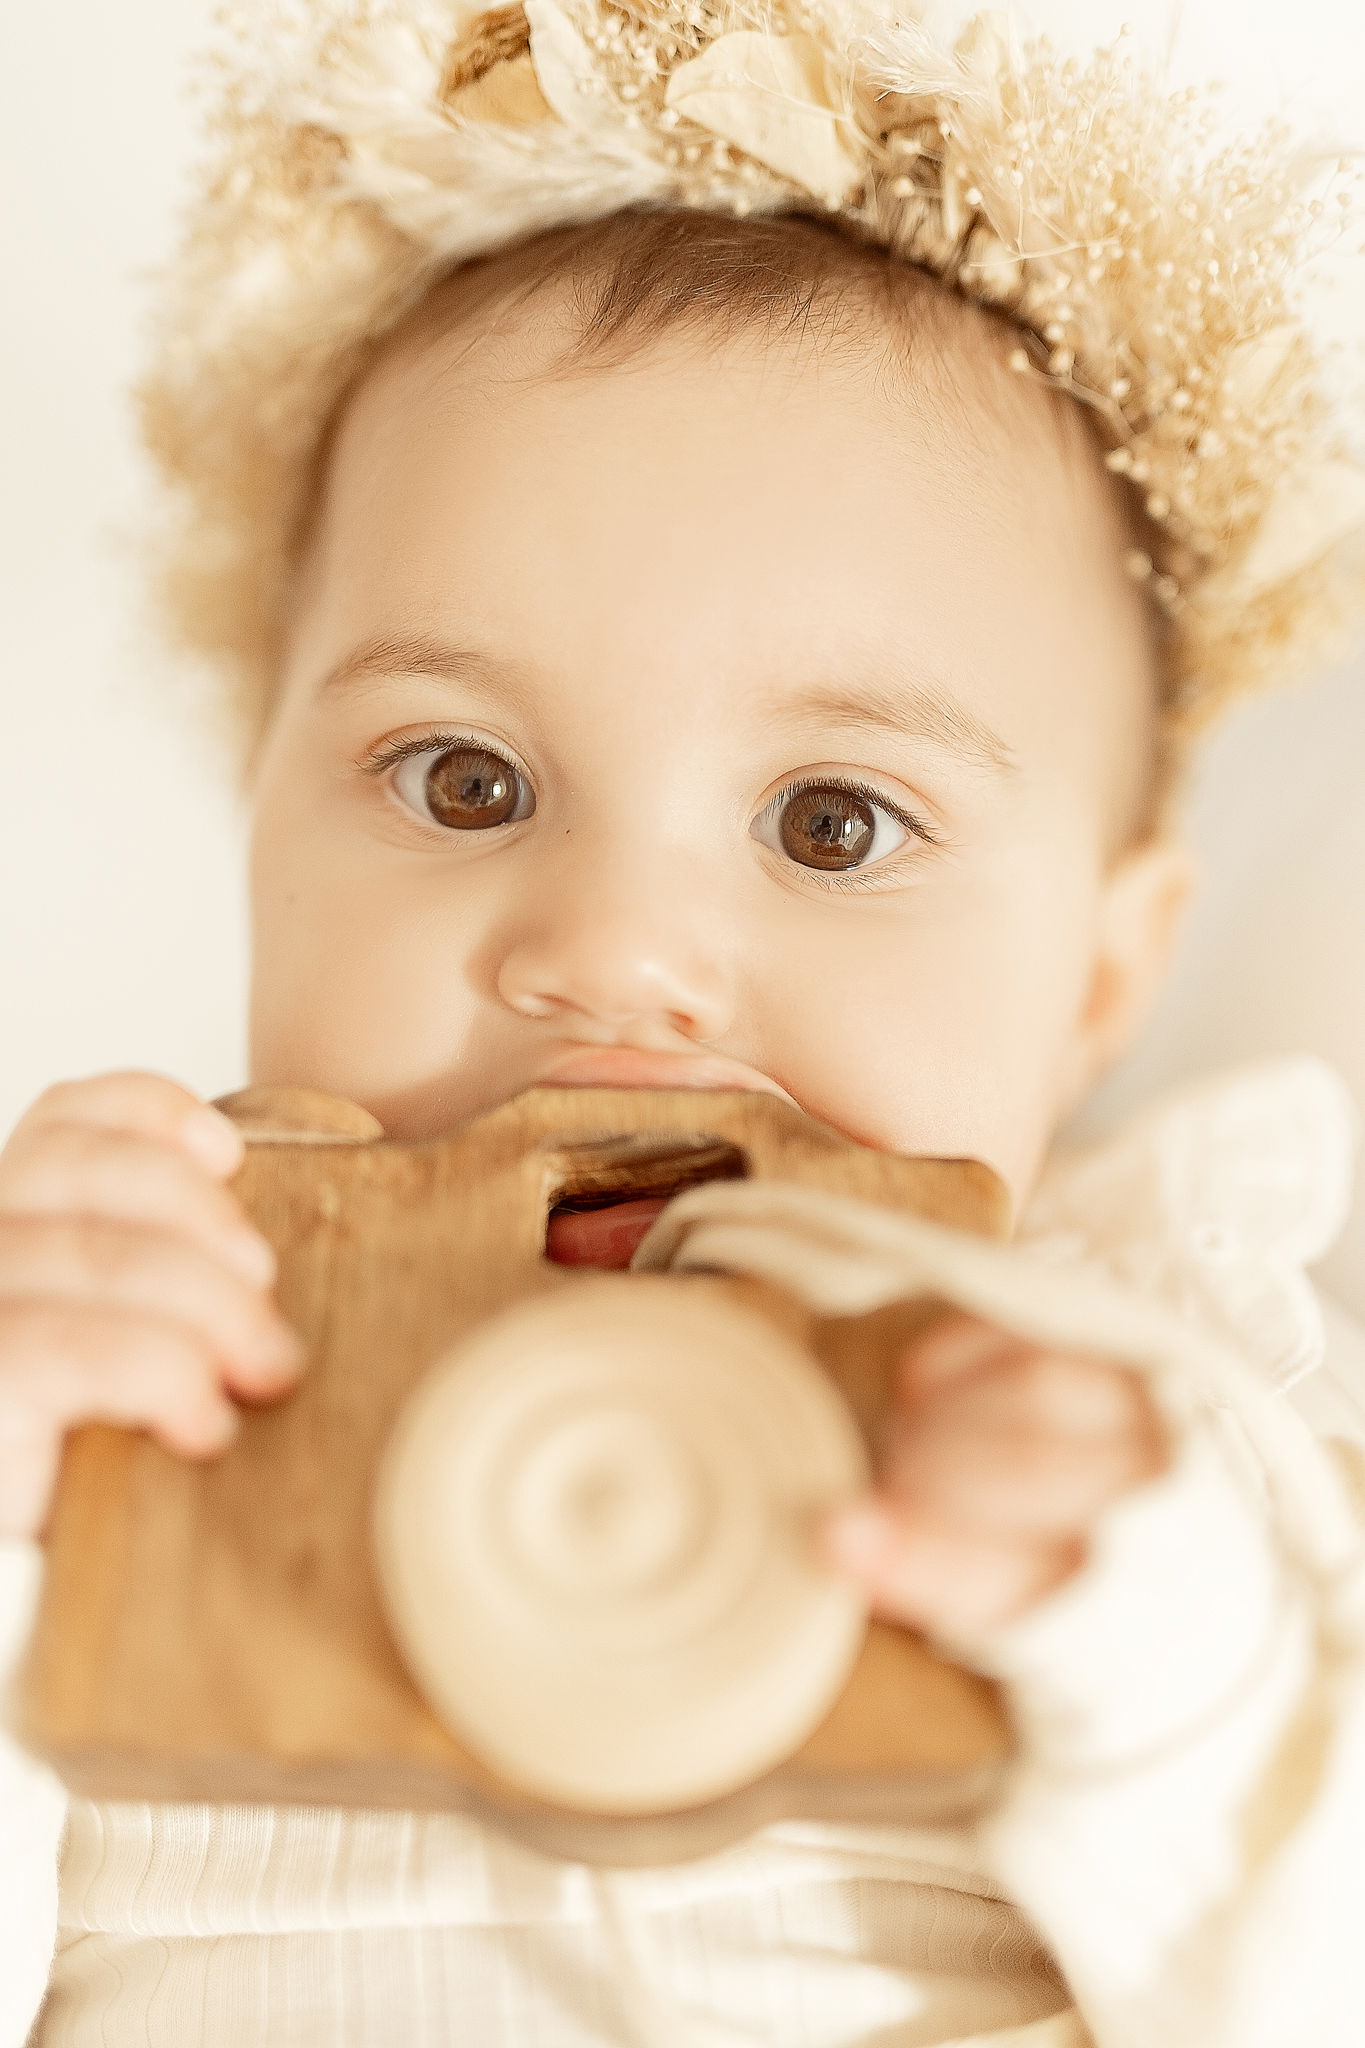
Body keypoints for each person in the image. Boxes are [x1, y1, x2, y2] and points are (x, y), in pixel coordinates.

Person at [2, 2, 1364, 2042]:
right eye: (464, 780)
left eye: (831, 825)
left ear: (1096, 981)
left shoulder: (1161, 1424)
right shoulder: (130, 1376)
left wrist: (1166, 1660)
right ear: (256, 823)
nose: (615, 956)